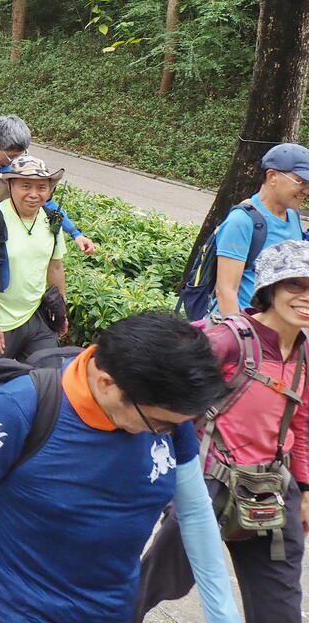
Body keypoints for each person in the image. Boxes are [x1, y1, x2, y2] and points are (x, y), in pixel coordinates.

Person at [0, 311, 240, 623]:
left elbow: (194, 512)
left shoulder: (169, 421)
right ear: (106, 383)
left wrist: (223, 614)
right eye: (158, 423)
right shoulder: (15, 409)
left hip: (114, 607)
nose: (167, 433)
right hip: (22, 607)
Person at [137, 240, 309, 623]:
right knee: (155, 584)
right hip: (207, 486)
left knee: (279, 606)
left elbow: (301, 425)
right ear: (270, 288)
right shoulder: (229, 340)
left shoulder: (304, 354)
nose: (306, 297)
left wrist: (305, 489)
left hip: (272, 490)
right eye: (295, 284)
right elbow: (165, 400)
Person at [0, 115, 96, 388]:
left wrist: (75, 232)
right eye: (12, 154)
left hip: (29, 304)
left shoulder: (35, 198)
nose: (16, 158)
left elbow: (51, 211)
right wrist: (6, 213)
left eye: (21, 153)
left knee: (43, 378)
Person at [0, 154, 68, 369]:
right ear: (10, 186)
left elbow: (55, 267)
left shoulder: (52, 220)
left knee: (48, 380)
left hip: (37, 318)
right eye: (25, 186)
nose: (34, 194)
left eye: (41, 187)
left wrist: (61, 311)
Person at [212, 142, 309, 314]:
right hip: (248, 325)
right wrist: (239, 330)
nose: (306, 191)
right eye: (300, 181)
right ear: (272, 176)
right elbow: (226, 291)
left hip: (278, 325)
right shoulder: (241, 221)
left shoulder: (293, 215)